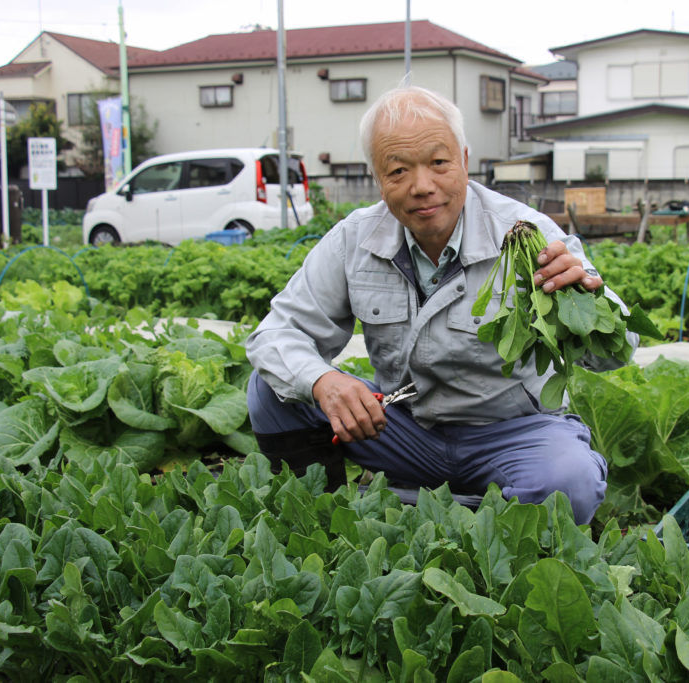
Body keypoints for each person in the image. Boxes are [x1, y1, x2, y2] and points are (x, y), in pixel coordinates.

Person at [245, 85, 636, 525]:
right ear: (378, 177)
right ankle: (323, 518)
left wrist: (585, 299)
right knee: (272, 388)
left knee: (569, 483)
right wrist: (323, 381)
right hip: (403, 430)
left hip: (514, 435)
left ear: (464, 161)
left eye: (438, 163)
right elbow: (276, 334)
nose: (422, 187)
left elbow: (617, 353)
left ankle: (457, 510)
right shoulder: (354, 240)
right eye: (398, 171)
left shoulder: (527, 235)